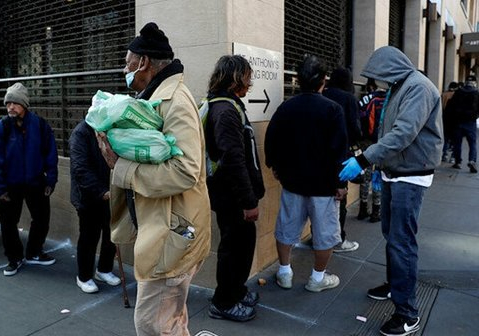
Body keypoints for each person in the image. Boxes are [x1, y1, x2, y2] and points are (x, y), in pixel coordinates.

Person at [97, 22, 211, 335]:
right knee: (170, 320)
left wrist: (119, 166)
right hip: (167, 229)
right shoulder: (158, 96)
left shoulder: (173, 100)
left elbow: (186, 170)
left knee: (151, 325)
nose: (125, 69)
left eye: (127, 63)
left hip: (172, 234)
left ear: (144, 63)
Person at [339, 46, 443, 336]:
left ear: (391, 68)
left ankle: (408, 314)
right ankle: (395, 284)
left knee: (402, 242)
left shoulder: (418, 88)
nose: (378, 81)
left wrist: (363, 159)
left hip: (410, 176)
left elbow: (403, 133)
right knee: (392, 236)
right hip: (395, 172)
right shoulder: (402, 85)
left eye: (379, 75)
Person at [264, 55, 347, 294]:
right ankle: (317, 278)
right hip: (323, 185)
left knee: (286, 229)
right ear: (323, 80)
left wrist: (276, 167)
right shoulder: (333, 109)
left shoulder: (286, 107)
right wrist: (341, 183)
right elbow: (339, 150)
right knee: (325, 234)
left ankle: (285, 272)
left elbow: (272, 140)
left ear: (298, 80)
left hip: (292, 182)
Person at [203, 55, 265, 322]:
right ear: (237, 78)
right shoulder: (225, 111)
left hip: (230, 195)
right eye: (247, 77)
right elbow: (234, 161)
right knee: (233, 249)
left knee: (242, 246)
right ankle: (224, 302)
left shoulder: (223, 105)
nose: (250, 83)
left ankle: (236, 291)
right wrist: (248, 202)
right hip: (232, 198)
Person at [0, 82, 58, 276]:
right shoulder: (1, 128)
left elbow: (50, 153)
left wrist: (50, 180)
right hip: (10, 185)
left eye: (15, 103)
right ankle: (14, 258)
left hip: (36, 182)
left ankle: (34, 252)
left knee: (42, 219)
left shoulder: (40, 125)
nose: (10, 107)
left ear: (25, 105)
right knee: (8, 223)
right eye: (8, 103)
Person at [69, 120, 120, 293]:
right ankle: (83, 277)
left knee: (111, 234)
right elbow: (80, 168)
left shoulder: (110, 130)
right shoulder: (81, 133)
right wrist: (101, 191)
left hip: (110, 193)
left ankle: (104, 269)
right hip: (88, 196)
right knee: (89, 237)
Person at [323, 67, 362, 253]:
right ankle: (338, 240)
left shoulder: (322, 93)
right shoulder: (348, 99)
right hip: (340, 154)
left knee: (320, 199)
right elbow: (355, 129)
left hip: (319, 155)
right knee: (340, 198)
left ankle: (319, 237)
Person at [357, 79, 387, 222]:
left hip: (366, 142)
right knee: (378, 176)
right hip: (383, 142)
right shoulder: (390, 99)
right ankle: (376, 210)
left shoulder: (365, 99)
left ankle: (363, 209)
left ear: (370, 86)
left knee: (365, 176)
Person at [446, 75, 479, 173]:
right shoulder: (476, 93)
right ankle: (472, 160)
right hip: (471, 122)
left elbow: (451, 106)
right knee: (472, 143)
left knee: (457, 143)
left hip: (458, 122)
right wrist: (475, 116)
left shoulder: (458, 92)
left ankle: (458, 162)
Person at [441, 81, 459, 163]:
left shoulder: (444, 94)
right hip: (455, 120)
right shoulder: (457, 95)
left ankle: (444, 155)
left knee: (445, 138)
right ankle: (453, 157)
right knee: (455, 140)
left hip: (445, 118)